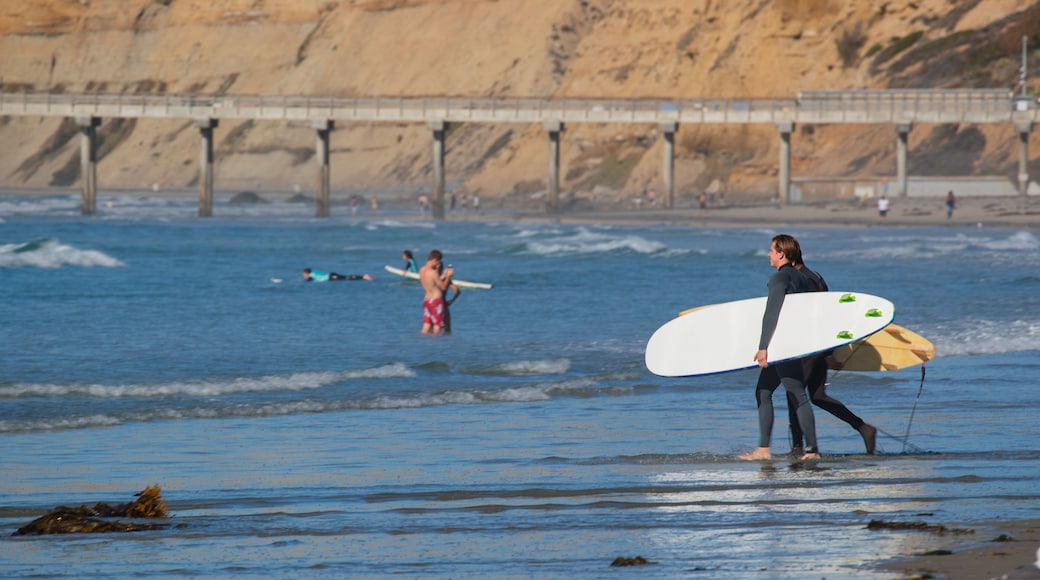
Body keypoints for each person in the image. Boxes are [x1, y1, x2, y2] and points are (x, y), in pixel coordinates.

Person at [739, 234, 819, 461]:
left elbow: (772, 312)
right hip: (793, 342)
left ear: (781, 254)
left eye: (772, 250)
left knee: (797, 395)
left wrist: (763, 347)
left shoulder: (779, 278)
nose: (769, 254)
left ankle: (812, 450)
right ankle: (764, 448)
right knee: (763, 391)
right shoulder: (802, 278)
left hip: (782, 345)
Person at [785, 261, 878, 455]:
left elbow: (823, 317)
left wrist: (828, 353)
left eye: (773, 252)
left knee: (794, 392)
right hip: (815, 346)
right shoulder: (813, 277)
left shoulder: (807, 281)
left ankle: (798, 447)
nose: (770, 256)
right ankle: (864, 428)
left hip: (813, 347)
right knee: (817, 396)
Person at [419, 249, 454, 335]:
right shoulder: (433, 272)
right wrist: (448, 277)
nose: (439, 263)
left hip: (426, 300)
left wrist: (443, 276)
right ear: (435, 260)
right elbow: (443, 287)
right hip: (436, 301)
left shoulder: (422, 270)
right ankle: (438, 343)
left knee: (426, 326)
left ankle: (421, 341)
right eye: (438, 261)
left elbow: (431, 283)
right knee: (437, 326)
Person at [302, 268, 372, 282]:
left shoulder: (311, 275)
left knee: (346, 278)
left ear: (306, 273)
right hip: (331, 276)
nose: (303, 276)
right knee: (345, 277)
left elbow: (309, 280)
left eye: (303, 274)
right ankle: (363, 277)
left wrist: (304, 282)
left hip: (331, 276)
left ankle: (363, 277)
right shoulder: (313, 273)